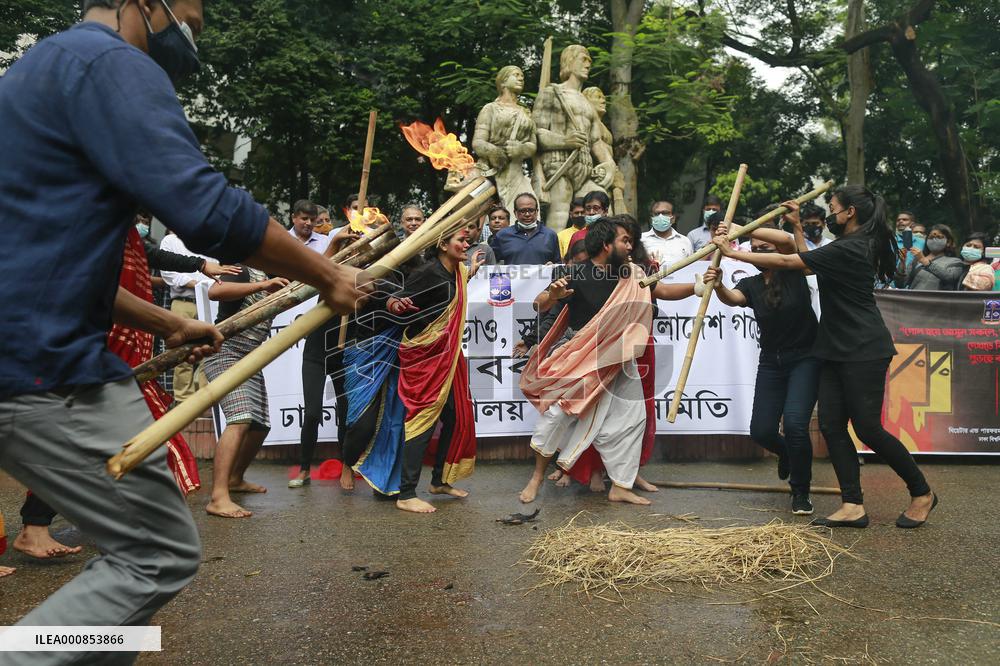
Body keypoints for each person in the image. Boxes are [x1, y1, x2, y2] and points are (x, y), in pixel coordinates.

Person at [0, 1, 369, 650]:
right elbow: (207, 209)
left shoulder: (35, 70)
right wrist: (326, 275)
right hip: (40, 365)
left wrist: (165, 320)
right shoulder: (112, 62)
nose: (193, 37)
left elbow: (52, 258)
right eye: (191, 20)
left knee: (132, 561)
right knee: (157, 553)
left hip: (34, 351)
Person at [711, 185, 937, 529]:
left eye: (832, 208)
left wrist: (734, 252)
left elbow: (789, 261)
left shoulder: (853, 246)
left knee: (868, 429)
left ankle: (922, 493)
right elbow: (808, 265)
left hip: (864, 348)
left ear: (850, 212)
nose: (829, 214)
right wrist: (796, 227)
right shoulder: (844, 245)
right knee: (831, 426)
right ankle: (852, 505)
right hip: (832, 348)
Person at [518, 218, 698, 506]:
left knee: (632, 420)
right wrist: (552, 295)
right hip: (582, 360)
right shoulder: (574, 273)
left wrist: (698, 286)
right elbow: (539, 304)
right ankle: (536, 478)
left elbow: (663, 291)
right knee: (557, 416)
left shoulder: (633, 274)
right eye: (625, 240)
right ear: (605, 245)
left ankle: (621, 486)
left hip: (621, 359)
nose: (630, 246)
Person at [705, 218, 821, 515]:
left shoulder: (793, 269)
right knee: (761, 431)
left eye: (764, 248)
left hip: (805, 359)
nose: (758, 253)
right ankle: (786, 454)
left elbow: (786, 240)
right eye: (753, 248)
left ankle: (801, 491)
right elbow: (733, 299)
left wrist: (738, 228)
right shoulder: (752, 283)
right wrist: (718, 285)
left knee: (795, 425)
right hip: (771, 362)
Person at [386, 230, 486, 513]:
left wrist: (470, 273)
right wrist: (396, 304)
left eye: (467, 240)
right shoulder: (427, 272)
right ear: (442, 244)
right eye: (460, 241)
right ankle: (406, 494)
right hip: (426, 357)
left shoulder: (456, 272)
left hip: (448, 356)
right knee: (423, 420)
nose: (466, 244)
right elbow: (394, 301)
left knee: (455, 415)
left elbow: (448, 291)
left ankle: (439, 481)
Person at [204, 267, 291, 517]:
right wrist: (262, 286)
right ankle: (218, 497)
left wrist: (334, 249)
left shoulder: (277, 278)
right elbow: (215, 291)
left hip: (250, 360)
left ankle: (235, 479)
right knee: (240, 418)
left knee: (260, 426)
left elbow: (313, 275)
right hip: (224, 353)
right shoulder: (242, 270)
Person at [290, 205, 355, 491]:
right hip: (316, 352)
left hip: (345, 353)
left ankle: (347, 467)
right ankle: (304, 469)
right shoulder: (328, 273)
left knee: (346, 412)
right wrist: (336, 243)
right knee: (313, 412)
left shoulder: (361, 277)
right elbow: (319, 271)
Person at [531, 44, 615, 232]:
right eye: (583, 59)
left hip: (585, 168)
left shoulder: (586, 102)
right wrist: (565, 141)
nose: (588, 64)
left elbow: (596, 141)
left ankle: (599, 246)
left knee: (602, 206)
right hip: (560, 164)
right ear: (569, 61)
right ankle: (553, 250)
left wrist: (609, 163)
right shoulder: (552, 92)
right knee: (559, 214)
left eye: (589, 61)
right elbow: (536, 133)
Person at [472, 65, 537, 215]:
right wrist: (494, 152)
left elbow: (533, 144)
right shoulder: (490, 108)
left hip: (516, 172)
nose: (521, 78)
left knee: (526, 210)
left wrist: (521, 149)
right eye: (516, 75)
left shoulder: (526, 112)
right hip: (492, 171)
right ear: (503, 82)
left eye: (522, 76)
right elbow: (478, 142)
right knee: (491, 215)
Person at [160, 230, 215, 402]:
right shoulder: (170, 240)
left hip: (209, 302)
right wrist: (197, 284)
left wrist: (205, 286)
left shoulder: (210, 240)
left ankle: (207, 400)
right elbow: (168, 273)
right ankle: (184, 400)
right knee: (182, 353)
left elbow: (218, 269)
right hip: (184, 302)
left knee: (210, 351)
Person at [489, 192, 561, 265]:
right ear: (515, 212)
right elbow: (490, 264)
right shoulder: (502, 235)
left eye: (531, 210)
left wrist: (553, 266)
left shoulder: (550, 235)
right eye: (522, 211)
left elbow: (558, 265)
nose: (527, 214)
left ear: (537, 212)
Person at [901, 224, 964, 290]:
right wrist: (902, 264)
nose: (934, 239)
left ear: (948, 242)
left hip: (937, 297)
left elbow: (950, 278)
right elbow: (901, 284)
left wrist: (925, 262)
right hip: (914, 296)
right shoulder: (916, 260)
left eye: (939, 237)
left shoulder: (955, 262)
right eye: (931, 237)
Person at [641, 199, 693, 269]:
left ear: (673, 218)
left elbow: (691, 267)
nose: (660, 216)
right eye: (656, 214)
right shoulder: (641, 239)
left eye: (665, 213)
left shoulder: (685, 241)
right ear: (651, 218)